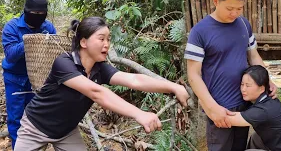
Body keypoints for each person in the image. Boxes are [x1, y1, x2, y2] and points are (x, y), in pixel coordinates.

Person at [14, 16, 190, 151]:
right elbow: (96, 93)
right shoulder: (64, 63)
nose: (107, 44)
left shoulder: (100, 69)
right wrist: (139, 114)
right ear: (83, 42)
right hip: (35, 127)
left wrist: (173, 86)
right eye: (101, 39)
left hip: (66, 131)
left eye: (108, 39)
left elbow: (135, 79)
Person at [184, 0, 277, 151]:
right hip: (219, 108)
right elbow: (193, 75)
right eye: (229, 8)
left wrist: (267, 81)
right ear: (216, 1)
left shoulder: (243, 24)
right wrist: (212, 108)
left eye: (239, 8)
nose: (235, 13)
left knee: (240, 147)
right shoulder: (200, 31)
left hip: (243, 105)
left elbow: (254, 56)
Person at [2, 0, 56, 149]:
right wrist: (30, 39)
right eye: (34, 13)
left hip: (37, 78)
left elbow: (53, 51)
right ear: (26, 11)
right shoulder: (12, 27)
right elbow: (11, 55)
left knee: (35, 116)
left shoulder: (48, 27)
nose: (38, 17)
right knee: (16, 118)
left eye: (41, 14)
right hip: (15, 78)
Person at [227, 65, 281, 151]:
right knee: (256, 138)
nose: (243, 89)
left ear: (261, 88)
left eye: (248, 85)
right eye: (242, 84)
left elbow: (228, 119)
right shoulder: (268, 100)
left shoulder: (263, 110)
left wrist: (213, 108)